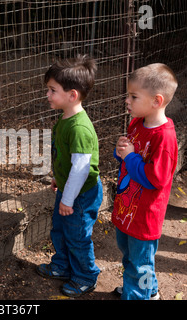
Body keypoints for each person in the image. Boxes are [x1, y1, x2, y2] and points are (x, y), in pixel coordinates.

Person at [36, 55, 103, 297]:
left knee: (77, 235)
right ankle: (62, 266)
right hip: (69, 188)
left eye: (52, 90)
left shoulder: (79, 128)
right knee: (60, 229)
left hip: (81, 195)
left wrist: (68, 199)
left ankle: (86, 276)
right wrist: (59, 179)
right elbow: (67, 160)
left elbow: (81, 168)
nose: (48, 95)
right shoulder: (66, 118)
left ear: (72, 95)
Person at [112, 63, 178, 300]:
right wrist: (120, 151)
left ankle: (138, 294)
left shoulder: (165, 138)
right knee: (129, 255)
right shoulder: (137, 123)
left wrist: (129, 156)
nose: (127, 101)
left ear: (156, 101)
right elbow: (128, 159)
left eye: (133, 96)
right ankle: (148, 289)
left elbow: (155, 179)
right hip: (128, 208)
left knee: (140, 262)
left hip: (145, 216)